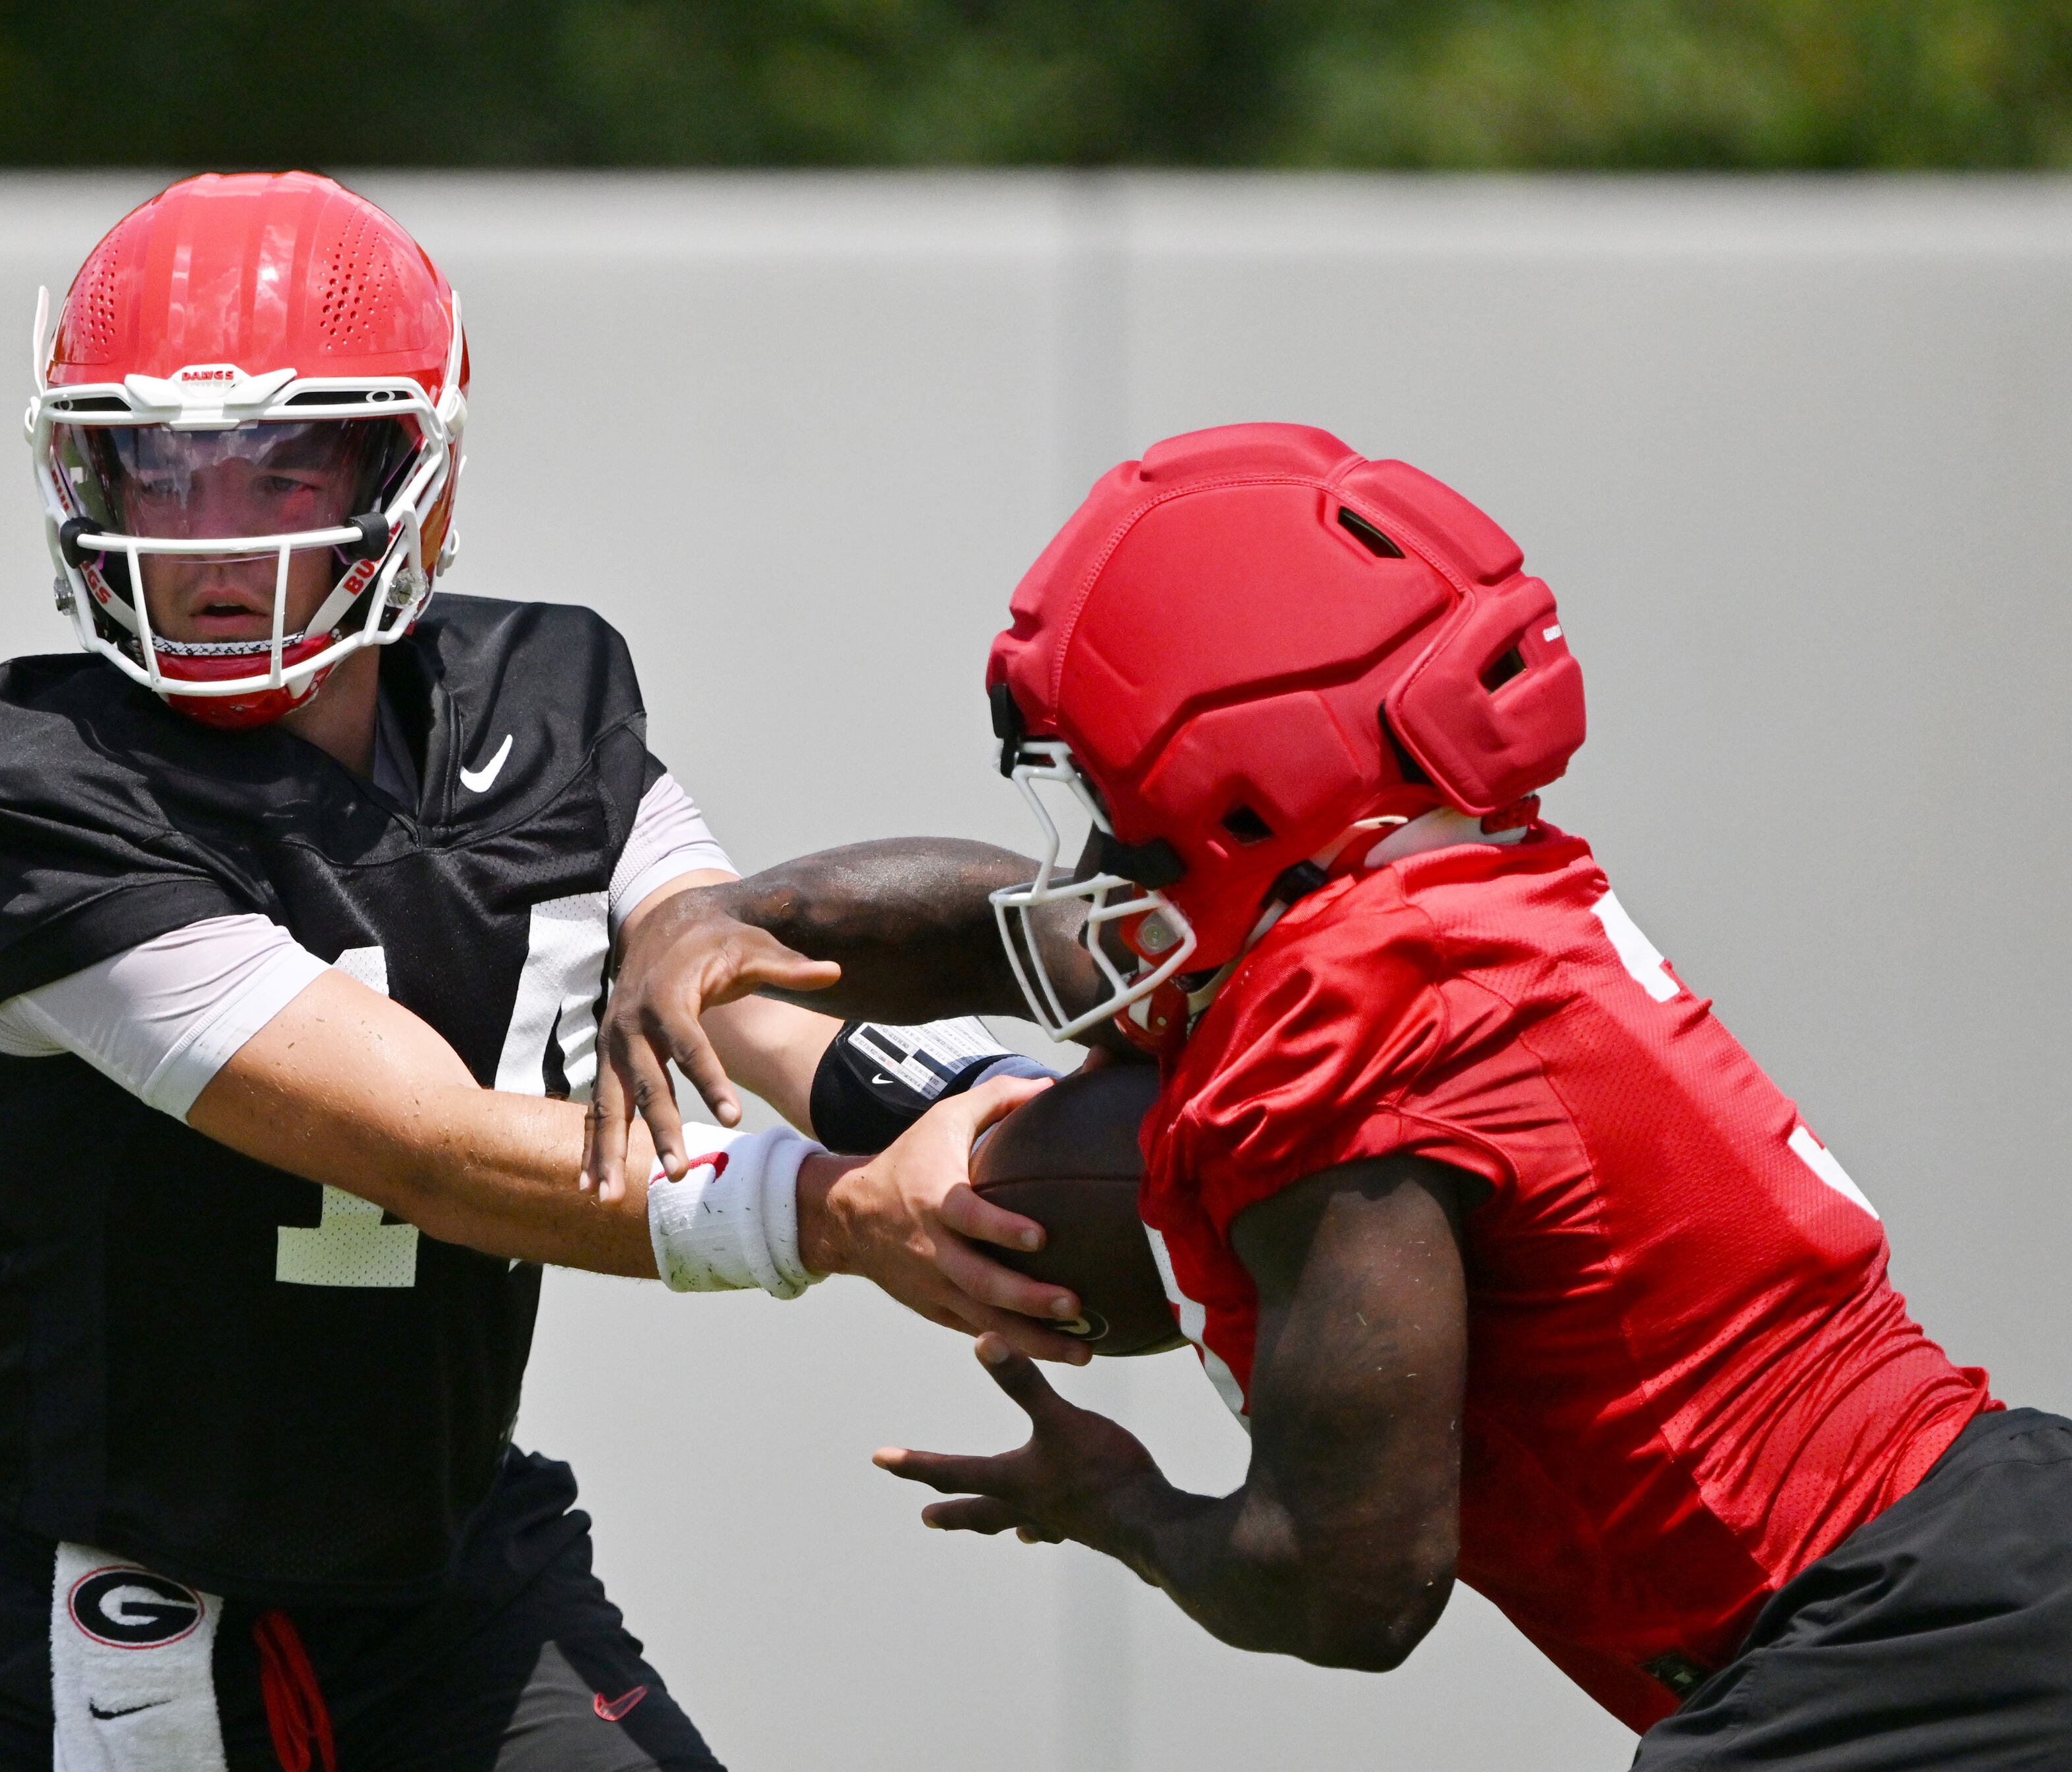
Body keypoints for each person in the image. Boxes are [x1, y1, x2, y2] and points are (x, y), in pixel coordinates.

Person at [0, 171, 1087, 1772]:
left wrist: (1012, 1124)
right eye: (159, 468)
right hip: (60, 1618)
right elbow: (432, 1151)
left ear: (419, 474)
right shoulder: (38, 796)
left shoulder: (548, 696)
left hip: (447, 1589)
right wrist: (844, 1213)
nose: (211, 538)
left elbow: (737, 991)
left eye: (281, 467)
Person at [589, 423, 2072, 1768]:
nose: (1095, 845)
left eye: (1107, 797)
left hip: (1899, 1656)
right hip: (1981, 1564)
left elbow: (1349, 1579)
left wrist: (1122, 1509)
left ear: (1233, 774)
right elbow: (1006, 930)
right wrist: (713, 919)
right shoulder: (1447, 895)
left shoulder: (1349, 1017)